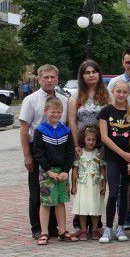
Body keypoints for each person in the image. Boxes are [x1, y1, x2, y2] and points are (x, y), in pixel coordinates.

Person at [19, 64, 68, 239]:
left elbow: (66, 125)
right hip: (37, 149)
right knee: (37, 190)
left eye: (52, 77)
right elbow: (24, 129)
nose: (49, 80)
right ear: (39, 79)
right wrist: (27, 155)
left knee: (56, 189)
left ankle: (54, 227)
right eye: (45, 77)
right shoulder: (31, 100)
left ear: (57, 78)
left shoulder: (63, 99)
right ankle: (38, 227)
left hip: (57, 147)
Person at [67, 59, 109, 234]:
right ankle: (79, 225)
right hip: (82, 146)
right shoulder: (75, 96)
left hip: (101, 145)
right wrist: (76, 144)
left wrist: (106, 145)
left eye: (94, 72)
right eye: (87, 72)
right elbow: (71, 120)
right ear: (82, 76)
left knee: (97, 183)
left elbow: (111, 119)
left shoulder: (106, 95)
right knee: (82, 183)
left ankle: (97, 225)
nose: (91, 75)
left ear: (99, 74)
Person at [98, 80, 130, 244]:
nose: (121, 95)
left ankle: (121, 225)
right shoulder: (105, 111)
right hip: (113, 158)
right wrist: (123, 153)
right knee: (113, 192)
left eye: (124, 92)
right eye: (118, 91)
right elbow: (104, 137)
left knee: (125, 194)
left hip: (128, 159)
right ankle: (108, 228)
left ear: (128, 94)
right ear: (113, 92)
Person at [32, 97, 76, 245]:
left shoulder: (66, 130)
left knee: (60, 201)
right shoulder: (40, 131)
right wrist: (48, 171)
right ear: (46, 111)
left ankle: (62, 230)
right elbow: (38, 153)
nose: (56, 114)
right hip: (47, 172)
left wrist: (65, 170)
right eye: (52, 112)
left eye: (58, 112)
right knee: (46, 202)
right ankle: (44, 232)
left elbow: (70, 152)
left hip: (62, 172)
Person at [70, 125, 106, 241]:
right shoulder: (79, 153)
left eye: (94, 140)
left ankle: (95, 229)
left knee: (95, 207)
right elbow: (75, 170)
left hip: (95, 184)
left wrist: (104, 184)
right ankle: (84, 230)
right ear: (83, 139)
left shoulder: (98, 153)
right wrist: (74, 185)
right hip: (83, 184)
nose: (91, 142)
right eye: (88, 139)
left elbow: (102, 169)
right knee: (83, 207)